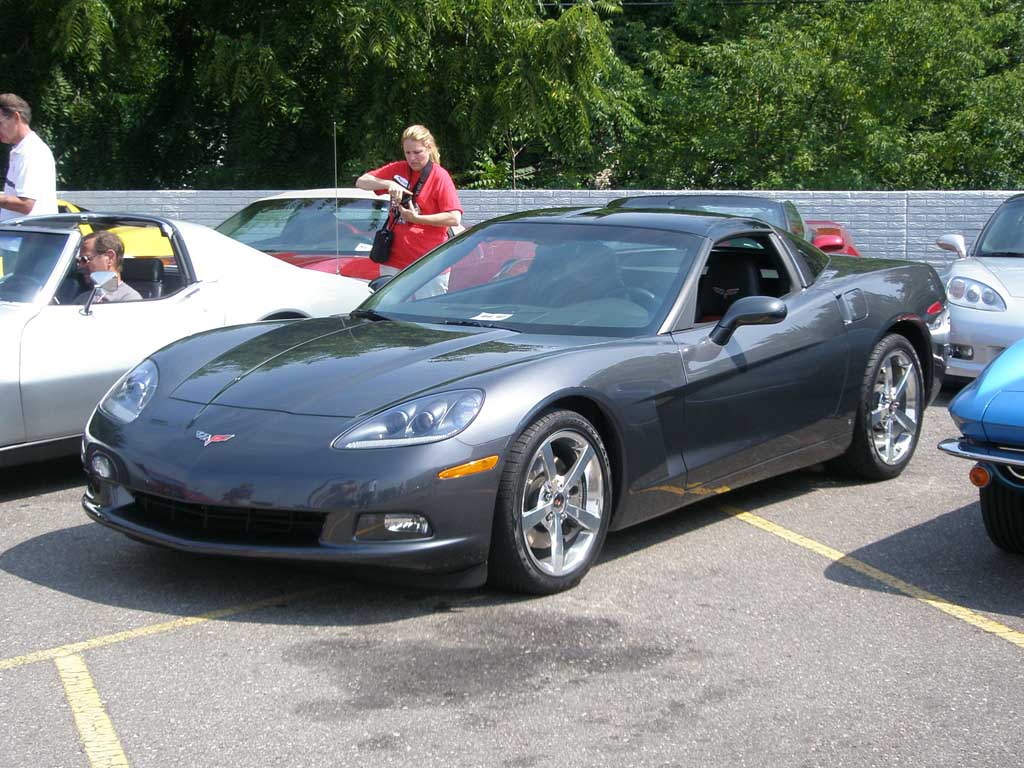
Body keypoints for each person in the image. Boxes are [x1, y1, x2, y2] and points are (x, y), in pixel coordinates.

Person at [356, 124, 462, 275]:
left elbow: (454, 218)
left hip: (428, 263)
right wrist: (388, 183)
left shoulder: (440, 176)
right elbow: (361, 182)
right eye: (408, 153)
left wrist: (417, 219)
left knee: (428, 300)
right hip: (392, 261)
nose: (412, 158)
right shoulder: (398, 169)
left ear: (429, 148)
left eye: (417, 152)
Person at [0, 94, 57, 221]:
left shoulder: (31, 152)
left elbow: (26, 204)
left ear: (16, 117)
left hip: (29, 237)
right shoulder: (21, 150)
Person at [74, 231, 142, 303]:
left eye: (85, 259)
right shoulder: (82, 299)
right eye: (79, 261)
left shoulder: (130, 299)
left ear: (110, 257)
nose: (80, 266)